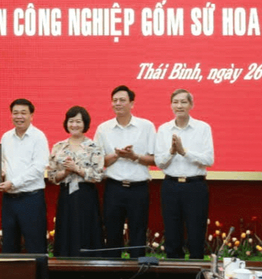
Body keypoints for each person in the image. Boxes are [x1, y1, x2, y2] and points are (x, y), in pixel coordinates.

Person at [94, 85, 156, 258]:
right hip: (114, 188)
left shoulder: (146, 126)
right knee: (112, 234)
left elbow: (155, 160)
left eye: (122, 100)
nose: (118, 104)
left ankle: (137, 273)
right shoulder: (103, 128)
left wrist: (134, 156)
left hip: (139, 188)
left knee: (138, 232)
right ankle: (113, 272)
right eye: (114, 100)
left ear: (132, 103)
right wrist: (117, 155)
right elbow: (96, 162)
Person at [154, 89, 214, 259]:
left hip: (195, 186)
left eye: (183, 102)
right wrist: (172, 151)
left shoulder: (202, 128)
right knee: (172, 235)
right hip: (170, 186)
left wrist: (184, 151)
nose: (179, 106)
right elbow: (159, 162)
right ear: (171, 105)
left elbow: (208, 160)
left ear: (191, 105)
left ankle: (197, 272)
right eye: (175, 102)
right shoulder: (164, 129)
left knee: (196, 233)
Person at [48, 106, 104, 258]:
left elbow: (98, 176)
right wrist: (65, 171)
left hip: (86, 195)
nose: (74, 125)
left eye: (78, 121)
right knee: (66, 232)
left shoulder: (94, 147)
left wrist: (77, 169)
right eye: (71, 121)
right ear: (66, 123)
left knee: (86, 232)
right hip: (66, 196)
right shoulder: (59, 147)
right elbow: (52, 176)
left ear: (85, 124)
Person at [0, 98, 49, 254]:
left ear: (31, 116)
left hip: (31, 199)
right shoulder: (6, 137)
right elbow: (3, 162)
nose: (19, 116)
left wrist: (13, 183)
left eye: (23, 113)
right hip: (9, 200)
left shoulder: (38, 137)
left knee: (35, 246)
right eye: (15, 113)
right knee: (9, 247)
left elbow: (38, 167)